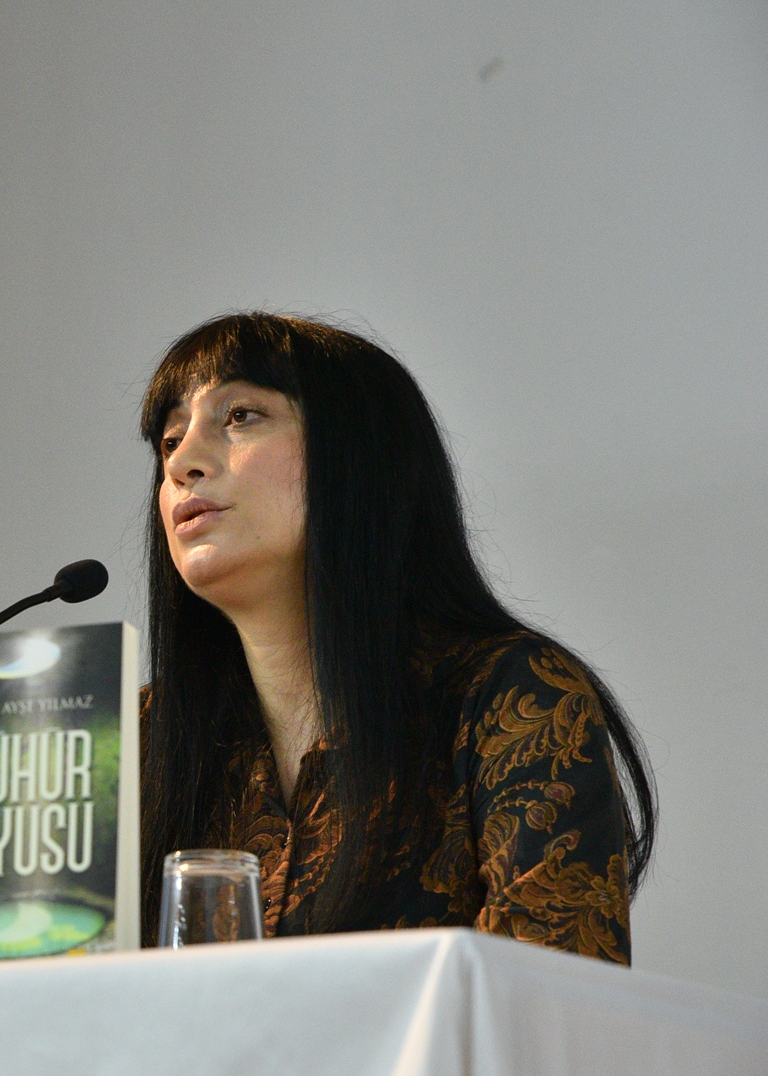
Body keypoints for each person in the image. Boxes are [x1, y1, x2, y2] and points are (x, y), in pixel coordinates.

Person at [139, 313, 654, 962]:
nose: (182, 462)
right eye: (169, 439)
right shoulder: (135, 743)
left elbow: (546, 1002)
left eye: (239, 416)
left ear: (360, 456)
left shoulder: (511, 698)